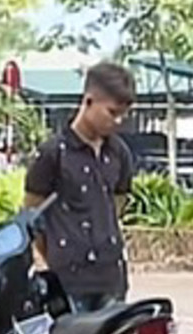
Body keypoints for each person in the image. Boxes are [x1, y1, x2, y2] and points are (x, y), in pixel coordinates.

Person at [24, 62, 136, 312]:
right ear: (88, 101)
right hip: (68, 281)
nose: (117, 121)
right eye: (112, 112)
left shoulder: (119, 153)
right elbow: (32, 216)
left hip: (111, 278)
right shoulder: (52, 154)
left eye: (123, 115)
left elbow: (117, 207)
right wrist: (56, 254)